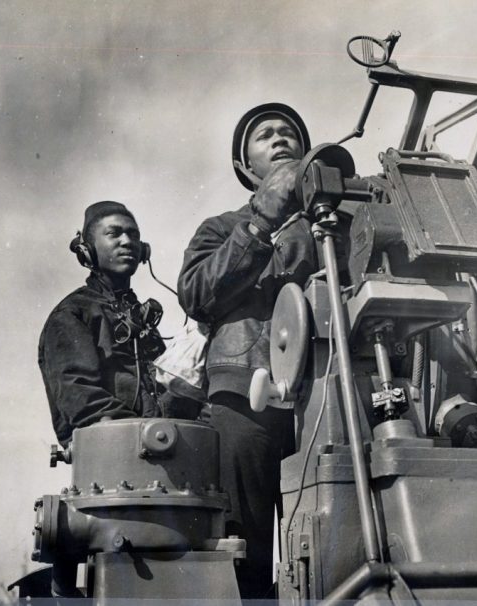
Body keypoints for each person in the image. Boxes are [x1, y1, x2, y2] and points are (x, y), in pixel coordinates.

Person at [177, 103, 315, 599]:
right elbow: (195, 292)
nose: (279, 139)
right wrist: (259, 224)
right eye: (264, 136)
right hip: (243, 395)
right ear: (245, 166)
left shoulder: (330, 223)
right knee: (244, 545)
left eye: (288, 134)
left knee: (329, 527)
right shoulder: (221, 227)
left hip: (323, 392)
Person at [38, 200, 167, 448]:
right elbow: (81, 398)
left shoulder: (141, 319)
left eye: (134, 235)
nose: (127, 241)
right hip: (114, 452)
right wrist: (145, 434)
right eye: (114, 233)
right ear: (87, 250)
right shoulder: (71, 315)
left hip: (161, 448)